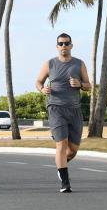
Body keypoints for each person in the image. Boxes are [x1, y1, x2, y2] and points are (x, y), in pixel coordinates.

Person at [35, 32, 91, 193]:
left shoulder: (79, 64)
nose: (64, 46)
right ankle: (65, 182)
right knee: (61, 144)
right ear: (57, 46)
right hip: (55, 108)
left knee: (72, 150)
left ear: (71, 45)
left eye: (67, 43)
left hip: (74, 110)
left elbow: (89, 85)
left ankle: (61, 165)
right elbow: (38, 82)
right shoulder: (49, 64)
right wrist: (42, 89)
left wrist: (80, 83)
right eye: (61, 44)